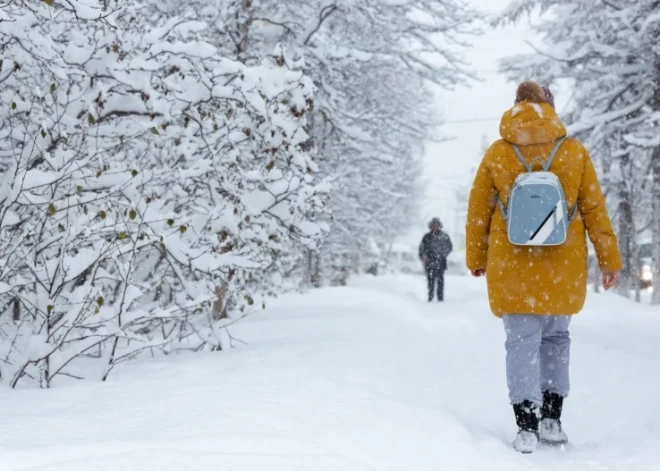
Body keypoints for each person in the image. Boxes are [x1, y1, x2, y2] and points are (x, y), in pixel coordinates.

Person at [465, 81, 621, 453]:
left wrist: (475, 258)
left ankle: (526, 426)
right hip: (562, 268)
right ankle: (552, 420)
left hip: (512, 267)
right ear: (549, 106)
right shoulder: (573, 152)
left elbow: (478, 211)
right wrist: (609, 259)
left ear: (516, 105)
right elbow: (594, 209)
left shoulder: (498, 153)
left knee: (520, 344)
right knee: (555, 340)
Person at [419, 218, 453, 302]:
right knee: (430, 281)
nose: (435, 226)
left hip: (440, 263)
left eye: (437, 225)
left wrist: (442, 255)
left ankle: (440, 299)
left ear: (439, 226)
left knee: (440, 281)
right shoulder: (427, 237)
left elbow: (449, 247)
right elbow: (421, 248)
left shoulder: (444, 236)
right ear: (431, 226)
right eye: (434, 225)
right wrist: (423, 256)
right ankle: (430, 297)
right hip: (429, 263)